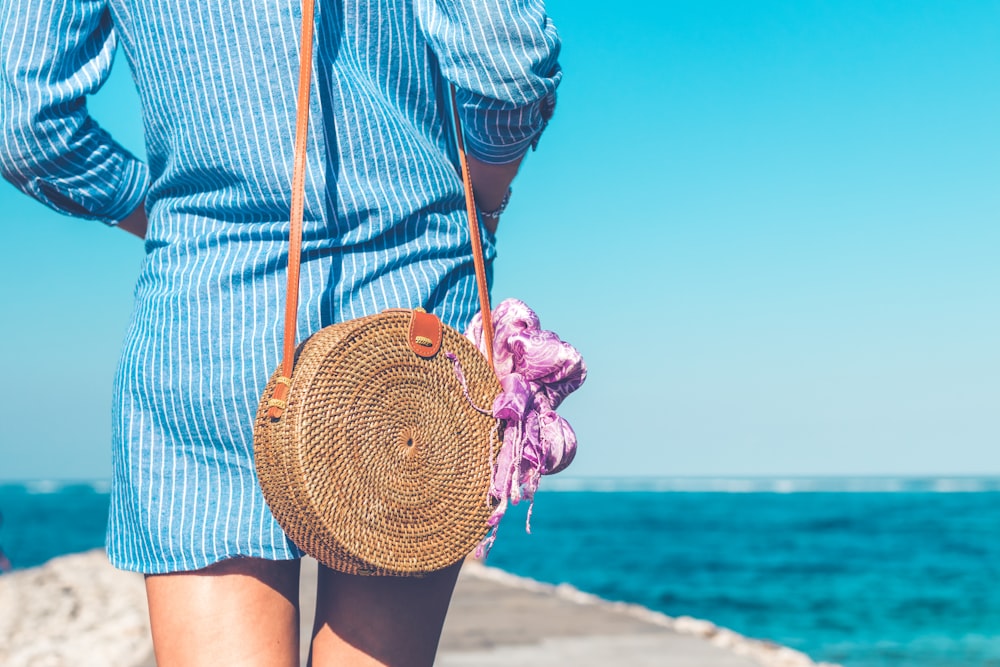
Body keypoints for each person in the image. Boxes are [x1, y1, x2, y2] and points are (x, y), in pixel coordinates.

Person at [0, 1, 561, 665]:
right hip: (408, 304)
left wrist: (172, 219)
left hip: (207, 313)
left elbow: (28, 126)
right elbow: (508, 60)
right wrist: (485, 195)